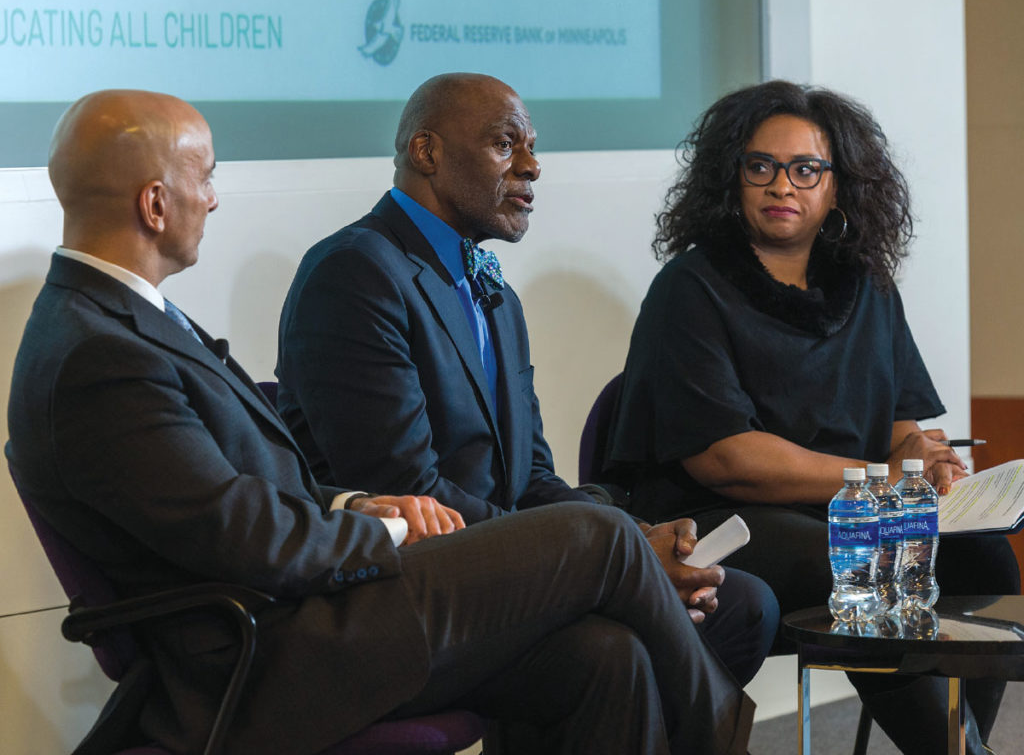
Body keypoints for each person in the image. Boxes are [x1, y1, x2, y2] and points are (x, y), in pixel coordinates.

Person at [5, 88, 758, 755]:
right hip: (272, 653)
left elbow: (243, 499)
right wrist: (390, 529)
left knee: (606, 656)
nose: (214, 200)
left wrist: (354, 504)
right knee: (597, 539)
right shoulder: (97, 354)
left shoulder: (122, 323)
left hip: (317, 614)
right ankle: (726, 740)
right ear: (155, 204)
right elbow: (244, 538)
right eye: (205, 180)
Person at [275, 72, 778, 687]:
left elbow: (531, 477)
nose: (533, 167)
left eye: (532, 146)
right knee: (611, 652)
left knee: (742, 604)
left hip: (513, 563)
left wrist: (636, 538)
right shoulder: (356, 271)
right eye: (506, 144)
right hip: (416, 583)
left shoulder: (494, 293)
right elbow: (409, 489)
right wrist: (606, 557)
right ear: (426, 152)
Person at [606, 79, 1020, 755]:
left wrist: (925, 457)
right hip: (722, 518)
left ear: (838, 186)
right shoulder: (690, 288)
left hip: (850, 507)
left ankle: (955, 740)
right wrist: (880, 478)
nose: (782, 185)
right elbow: (728, 460)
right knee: (857, 561)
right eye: (760, 167)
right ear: (732, 179)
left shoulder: (866, 285)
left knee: (987, 559)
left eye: (805, 170)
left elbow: (900, 423)